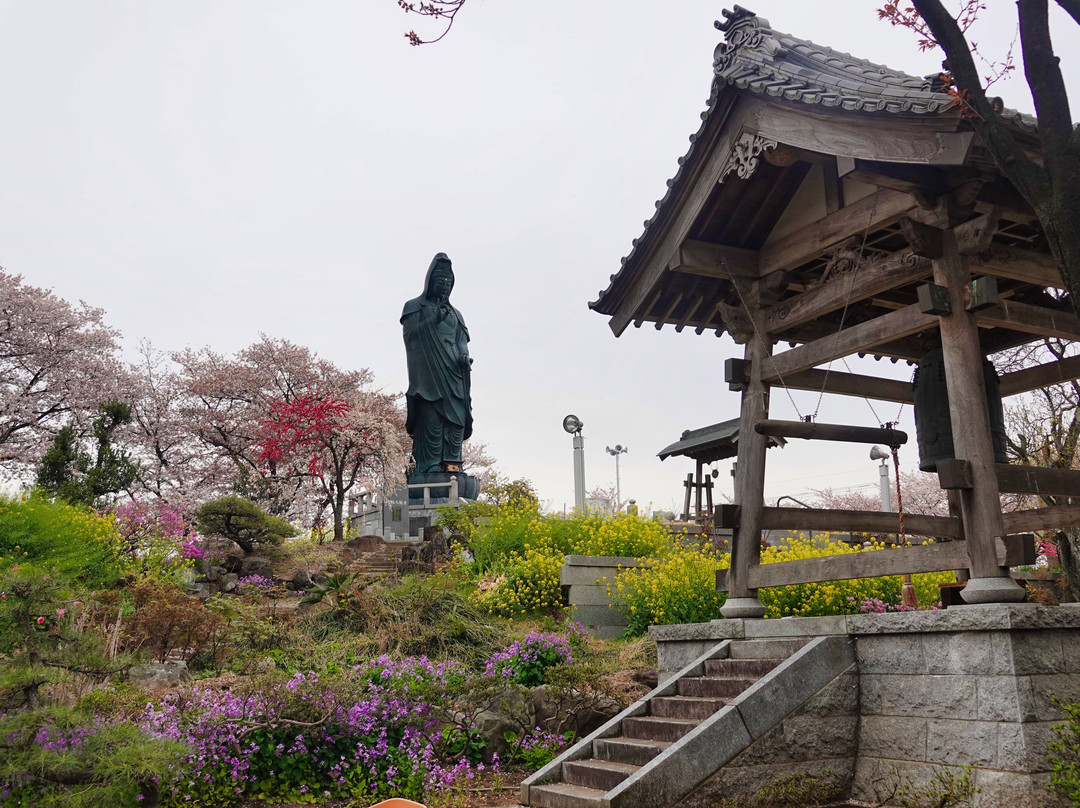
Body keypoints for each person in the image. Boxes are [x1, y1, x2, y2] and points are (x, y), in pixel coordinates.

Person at [401, 253, 473, 475]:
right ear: (429, 281)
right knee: (432, 418)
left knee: (456, 421)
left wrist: (463, 356)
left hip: (454, 374)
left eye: (448, 281)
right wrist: (434, 321)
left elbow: (462, 341)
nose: (445, 285)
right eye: (440, 280)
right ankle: (428, 463)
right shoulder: (415, 307)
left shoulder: (456, 314)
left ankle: (453, 463)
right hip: (429, 375)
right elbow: (410, 336)